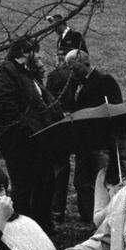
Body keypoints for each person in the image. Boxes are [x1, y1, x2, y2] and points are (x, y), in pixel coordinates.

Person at [0, 36, 62, 233]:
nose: (38, 56)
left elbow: (43, 104)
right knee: (24, 185)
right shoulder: (5, 71)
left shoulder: (29, 75)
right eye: (35, 52)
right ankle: (20, 230)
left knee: (44, 183)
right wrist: (27, 130)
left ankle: (39, 227)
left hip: (40, 140)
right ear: (24, 52)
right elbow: (4, 106)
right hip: (20, 141)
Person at [66, 49, 123, 223]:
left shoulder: (104, 80)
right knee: (81, 182)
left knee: (103, 182)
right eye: (69, 69)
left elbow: (115, 108)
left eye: (74, 68)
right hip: (83, 143)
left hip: (100, 142)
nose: (72, 73)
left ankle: (107, 220)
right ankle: (87, 218)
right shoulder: (76, 84)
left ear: (85, 63)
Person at [45, 55, 79, 224]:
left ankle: (54, 209)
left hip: (57, 121)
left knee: (57, 167)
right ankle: (59, 210)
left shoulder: (54, 75)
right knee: (64, 167)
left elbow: (48, 99)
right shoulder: (75, 76)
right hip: (73, 120)